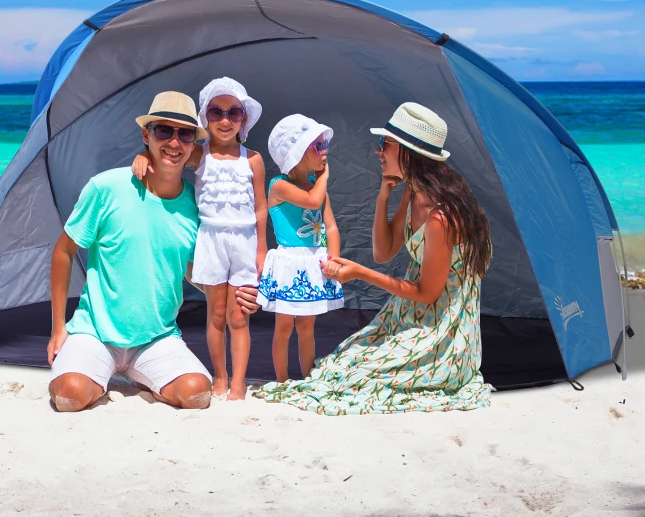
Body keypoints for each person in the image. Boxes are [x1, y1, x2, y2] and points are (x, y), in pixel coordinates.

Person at [254, 102, 493, 415]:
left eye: (385, 145)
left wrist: (359, 273)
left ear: (408, 152)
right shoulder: (414, 193)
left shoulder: (440, 217)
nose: (378, 152)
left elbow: (427, 294)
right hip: (409, 316)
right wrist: (384, 196)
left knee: (353, 378)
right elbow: (383, 253)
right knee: (342, 362)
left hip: (441, 334)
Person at [47, 91, 259, 412]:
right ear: (146, 135)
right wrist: (58, 328)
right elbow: (63, 252)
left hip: (156, 338)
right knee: (69, 396)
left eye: (185, 133)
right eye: (164, 131)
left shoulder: (197, 203)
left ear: (193, 145)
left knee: (196, 395)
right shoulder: (106, 187)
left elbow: (193, 273)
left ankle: (139, 376)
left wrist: (235, 296)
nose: (174, 142)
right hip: (95, 333)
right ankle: (99, 371)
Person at [132, 77, 267, 401]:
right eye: (216, 112)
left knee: (239, 316)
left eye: (233, 112)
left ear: (243, 118)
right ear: (205, 118)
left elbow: (261, 207)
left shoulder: (253, 159)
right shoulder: (198, 155)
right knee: (216, 314)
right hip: (211, 239)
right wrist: (142, 157)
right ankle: (219, 377)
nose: (225, 120)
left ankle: (238, 383)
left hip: (245, 241)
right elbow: (168, 158)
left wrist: (262, 248)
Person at [256, 114, 344, 382]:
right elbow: (310, 201)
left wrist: (334, 259)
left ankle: (307, 377)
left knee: (307, 326)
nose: (324, 151)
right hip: (290, 264)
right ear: (297, 153)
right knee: (283, 327)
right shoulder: (279, 186)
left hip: (314, 262)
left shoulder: (318, 189)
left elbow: (331, 227)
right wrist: (324, 178)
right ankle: (282, 380)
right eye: (317, 146)